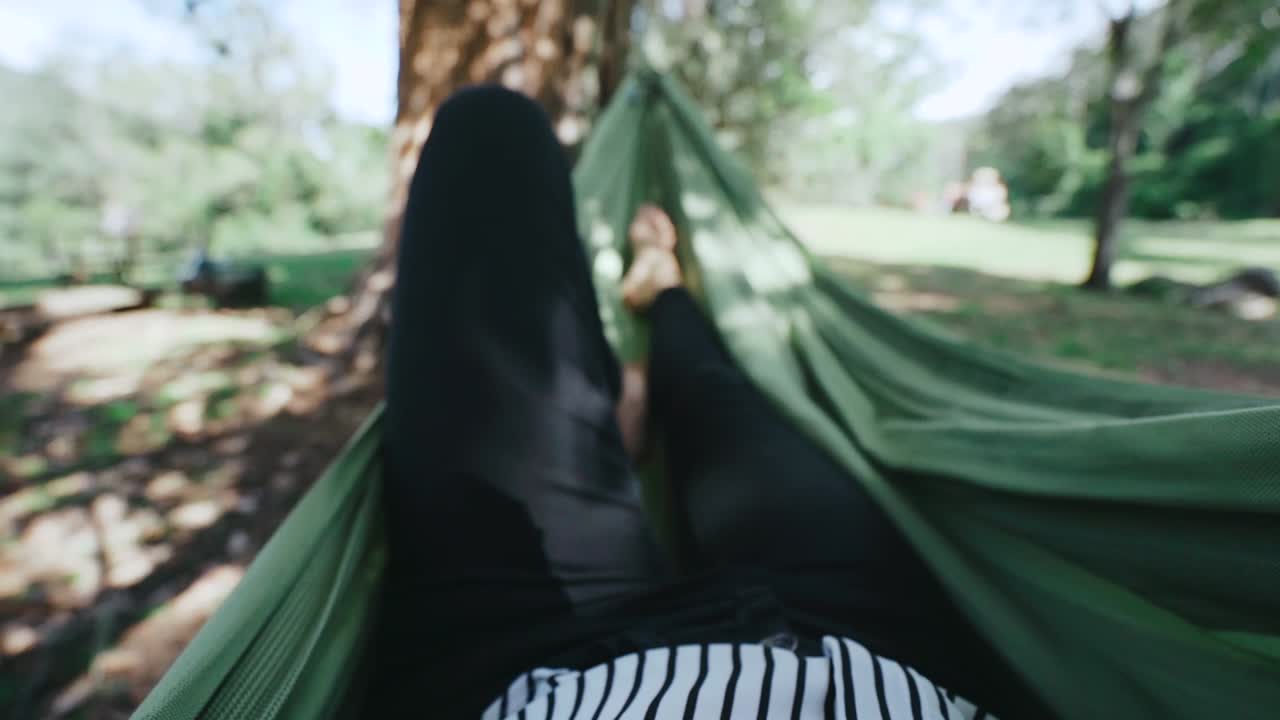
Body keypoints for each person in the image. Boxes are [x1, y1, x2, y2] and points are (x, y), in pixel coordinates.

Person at [365, 86, 1050, 719]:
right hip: (864, 648)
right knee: (714, 394)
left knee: (488, 128)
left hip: (541, 664)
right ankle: (661, 298)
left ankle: (615, 403)